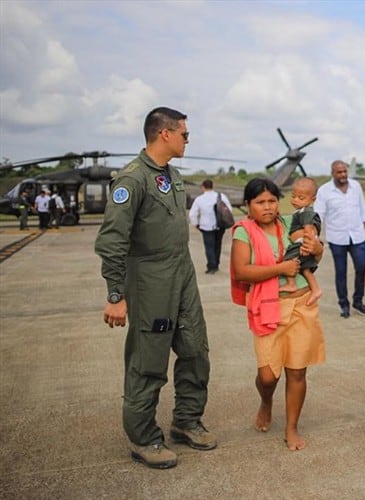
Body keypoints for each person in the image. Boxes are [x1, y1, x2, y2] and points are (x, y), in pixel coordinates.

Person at [95, 106, 215, 469]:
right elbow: (112, 241)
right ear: (165, 134)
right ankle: (144, 437)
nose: (187, 139)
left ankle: (186, 421)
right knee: (148, 362)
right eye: (184, 133)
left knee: (195, 350)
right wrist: (116, 295)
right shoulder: (132, 180)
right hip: (150, 282)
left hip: (182, 276)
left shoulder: (172, 175)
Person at [230, 177, 326, 451]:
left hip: (301, 304)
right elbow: (241, 271)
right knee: (268, 375)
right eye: (260, 202)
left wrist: (316, 248)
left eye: (272, 201)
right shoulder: (243, 231)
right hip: (268, 307)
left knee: (297, 372)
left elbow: (314, 253)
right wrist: (280, 269)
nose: (268, 207)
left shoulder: (290, 223)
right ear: (248, 205)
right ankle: (266, 400)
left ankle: (291, 427)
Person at [315, 160, 365, 318]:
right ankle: (344, 305)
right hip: (337, 237)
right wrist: (315, 235)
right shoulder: (324, 191)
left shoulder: (356, 187)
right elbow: (319, 214)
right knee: (341, 272)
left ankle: (358, 301)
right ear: (332, 173)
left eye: (344, 171)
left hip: (357, 235)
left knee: (362, 268)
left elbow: (363, 210)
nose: (343, 175)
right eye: (339, 172)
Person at [280, 177, 323, 306]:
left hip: (301, 244)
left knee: (288, 260)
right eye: (293, 196)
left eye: (301, 198)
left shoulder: (306, 212)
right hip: (302, 243)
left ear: (313, 199)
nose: (295, 200)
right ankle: (315, 289)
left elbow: (309, 229)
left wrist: (306, 245)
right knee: (306, 269)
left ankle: (291, 284)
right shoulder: (300, 211)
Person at [189, 179, 233, 274]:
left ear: (203, 187)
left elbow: (192, 214)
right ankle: (216, 263)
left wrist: (196, 223)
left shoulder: (199, 199)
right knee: (218, 245)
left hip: (206, 226)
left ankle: (211, 266)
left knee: (209, 247)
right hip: (220, 226)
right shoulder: (221, 196)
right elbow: (229, 209)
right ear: (213, 186)